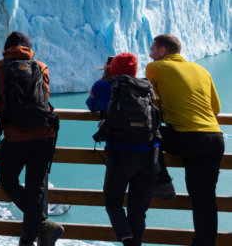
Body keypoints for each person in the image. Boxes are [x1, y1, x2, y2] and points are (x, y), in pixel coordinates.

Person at [145, 34, 223, 246]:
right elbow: (216, 109)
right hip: (214, 139)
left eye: (152, 49)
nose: (150, 53)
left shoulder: (155, 68)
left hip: (186, 138)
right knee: (204, 199)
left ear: (162, 51)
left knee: (147, 132)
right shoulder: (201, 70)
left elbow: (150, 105)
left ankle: (162, 181)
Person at [0, 31, 63, 246]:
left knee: (7, 181)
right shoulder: (40, 67)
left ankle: (39, 227)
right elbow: (45, 96)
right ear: (29, 48)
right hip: (44, 136)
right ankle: (31, 235)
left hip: (15, 137)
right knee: (36, 188)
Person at [86, 53, 159, 246]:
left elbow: (91, 106)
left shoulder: (102, 86)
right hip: (149, 153)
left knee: (113, 202)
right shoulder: (145, 87)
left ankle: (127, 241)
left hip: (121, 153)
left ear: (112, 68)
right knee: (138, 210)